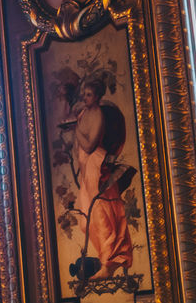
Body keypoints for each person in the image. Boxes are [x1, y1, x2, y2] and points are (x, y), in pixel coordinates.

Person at [72, 79, 134, 279]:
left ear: (97, 96)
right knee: (85, 222)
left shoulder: (98, 115)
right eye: (84, 94)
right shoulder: (83, 113)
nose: (85, 97)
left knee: (102, 215)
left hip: (96, 166)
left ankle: (109, 263)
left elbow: (89, 146)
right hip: (85, 169)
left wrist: (75, 129)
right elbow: (79, 146)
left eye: (89, 94)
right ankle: (103, 259)